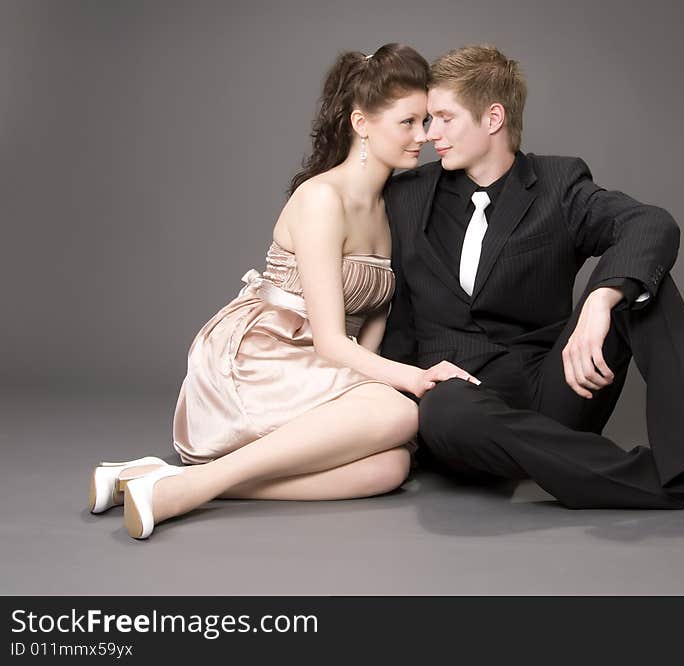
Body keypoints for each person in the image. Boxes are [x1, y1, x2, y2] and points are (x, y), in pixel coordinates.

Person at [380, 44, 684, 557]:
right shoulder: (407, 195)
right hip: (462, 408)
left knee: (645, 287)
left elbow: (651, 223)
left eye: (443, 118)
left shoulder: (557, 185)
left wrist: (601, 299)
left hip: (554, 389)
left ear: (493, 117)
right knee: (444, 411)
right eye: (426, 120)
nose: (429, 135)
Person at [87, 43, 478, 540]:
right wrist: (411, 379)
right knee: (401, 412)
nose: (424, 136)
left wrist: (366, 388)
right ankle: (181, 492)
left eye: (426, 122)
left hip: (321, 364)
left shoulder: (392, 205)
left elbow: (373, 318)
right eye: (408, 123)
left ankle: (166, 480)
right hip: (261, 356)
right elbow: (333, 341)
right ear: (361, 124)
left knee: (389, 470)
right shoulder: (321, 198)